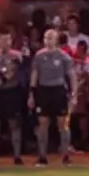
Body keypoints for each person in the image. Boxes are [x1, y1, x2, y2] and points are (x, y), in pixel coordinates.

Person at [31, 29, 73, 166]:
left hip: (58, 91)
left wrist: (73, 94)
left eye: (51, 38)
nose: (48, 41)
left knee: (63, 123)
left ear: (56, 40)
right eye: (46, 38)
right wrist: (32, 94)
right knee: (43, 123)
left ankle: (66, 156)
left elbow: (71, 75)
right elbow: (34, 75)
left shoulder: (64, 57)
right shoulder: (39, 56)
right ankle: (42, 156)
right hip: (44, 91)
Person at [0, 26, 25, 166]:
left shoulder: (16, 55)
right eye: (3, 39)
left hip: (11, 92)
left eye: (8, 39)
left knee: (14, 123)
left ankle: (17, 156)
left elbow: (11, 73)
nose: (6, 42)